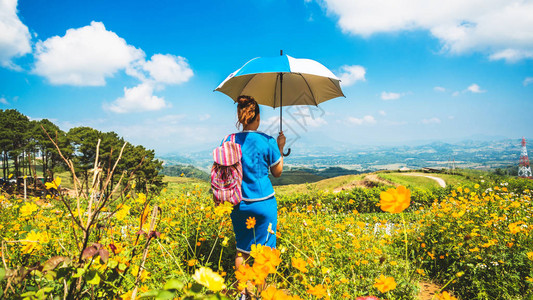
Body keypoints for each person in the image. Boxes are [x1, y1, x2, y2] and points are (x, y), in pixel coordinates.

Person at [224, 95, 285, 280]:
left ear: (240, 116)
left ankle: (244, 291)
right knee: (264, 254)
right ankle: (259, 293)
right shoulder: (268, 141)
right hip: (264, 203)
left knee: (241, 251)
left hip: (238, 203)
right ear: (258, 118)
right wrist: (280, 148)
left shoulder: (228, 139)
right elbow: (277, 172)